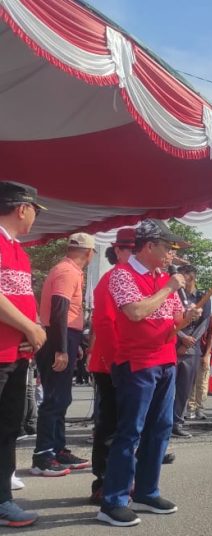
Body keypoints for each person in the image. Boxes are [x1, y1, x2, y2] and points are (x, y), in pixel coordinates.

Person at [97, 219, 198, 527]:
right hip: (136, 363)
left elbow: (172, 322)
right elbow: (136, 312)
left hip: (165, 360)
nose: (172, 254)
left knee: (161, 428)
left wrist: (187, 318)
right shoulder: (121, 275)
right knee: (130, 431)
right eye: (168, 247)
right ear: (150, 246)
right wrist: (169, 287)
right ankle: (112, 500)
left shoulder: (163, 278)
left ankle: (146, 491)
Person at [0, 181, 47, 527]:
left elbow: (18, 300)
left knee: (8, 428)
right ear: (22, 208)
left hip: (16, 355)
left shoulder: (19, 250)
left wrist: (32, 328)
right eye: (34, 210)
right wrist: (30, 327)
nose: (35, 217)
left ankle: (2, 498)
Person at [32, 232, 96, 476]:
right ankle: (43, 454)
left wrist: (72, 344)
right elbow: (59, 308)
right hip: (58, 335)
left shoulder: (67, 270)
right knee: (55, 398)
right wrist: (61, 348)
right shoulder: (67, 271)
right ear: (89, 253)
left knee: (61, 397)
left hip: (65, 334)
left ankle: (56, 449)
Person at [87, 228, 135, 504]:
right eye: (130, 248)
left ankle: (123, 479)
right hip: (111, 363)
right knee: (109, 426)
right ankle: (103, 482)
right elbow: (104, 326)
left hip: (127, 362)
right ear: (118, 251)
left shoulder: (132, 279)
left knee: (126, 426)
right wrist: (118, 362)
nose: (135, 254)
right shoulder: (110, 279)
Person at [172, 265, 211, 438]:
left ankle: (177, 422)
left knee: (184, 388)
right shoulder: (174, 295)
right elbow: (169, 320)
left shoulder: (203, 297)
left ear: (192, 276)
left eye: (184, 275)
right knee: (166, 388)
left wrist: (188, 343)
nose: (181, 279)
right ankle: (161, 422)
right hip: (173, 343)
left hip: (192, 347)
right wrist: (180, 337)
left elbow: (204, 324)